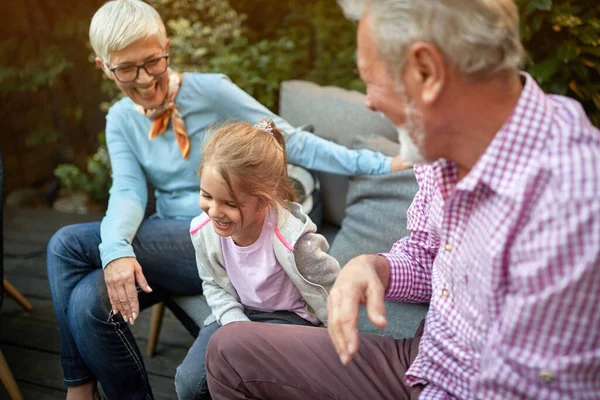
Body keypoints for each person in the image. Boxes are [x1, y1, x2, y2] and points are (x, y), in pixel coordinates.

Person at [203, 0, 600, 399]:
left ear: (425, 71)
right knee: (230, 351)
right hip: (425, 358)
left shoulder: (571, 200)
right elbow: (430, 255)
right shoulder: (439, 150)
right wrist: (376, 268)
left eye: (370, 80)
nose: (370, 102)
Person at [45, 1, 409, 399]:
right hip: (183, 248)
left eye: (153, 62)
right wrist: (116, 250)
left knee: (65, 244)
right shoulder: (120, 118)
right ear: (103, 67)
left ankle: (76, 390)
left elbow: (290, 138)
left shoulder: (211, 90)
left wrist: (380, 161)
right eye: (126, 69)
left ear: (166, 45)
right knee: (86, 303)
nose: (145, 79)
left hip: (224, 240)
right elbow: (128, 192)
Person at [174, 120, 340, 400]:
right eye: (206, 196)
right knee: (189, 385)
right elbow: (213, 285)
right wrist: (237, 327)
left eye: (230, 203)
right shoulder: (203, 232)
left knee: (259, 384)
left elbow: (332, 288)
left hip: (289, 321)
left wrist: (335, 344)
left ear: (264, 201)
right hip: (237, 314)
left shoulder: (294, 240)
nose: (214, 211)